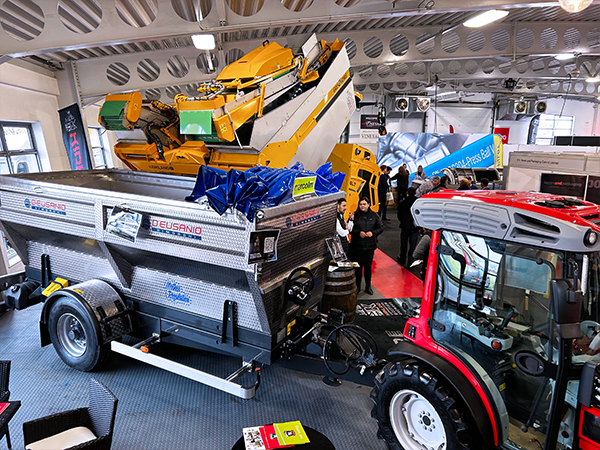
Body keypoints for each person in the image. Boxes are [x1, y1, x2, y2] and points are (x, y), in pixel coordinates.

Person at [350, 197, 384, 295]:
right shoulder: (355, 215)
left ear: (368, 204)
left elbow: (381, 228)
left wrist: (372, 233)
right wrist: (358, 232)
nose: (362, 206)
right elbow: (350, 229)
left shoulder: (374, 215)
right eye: (360, 204)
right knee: (358, 268)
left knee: (368, 267)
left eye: (364, 204)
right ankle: (358, 286)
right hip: (358, 246)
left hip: (370, 246)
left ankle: (368, 286)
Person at [397, 187, 419, 268]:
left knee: (403, 244)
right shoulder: (417, 203)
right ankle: (411, 261)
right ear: (415, 193)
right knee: (413, 245)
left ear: (407, 193)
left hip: (404, 226)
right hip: (415, 227)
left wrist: (402, 221)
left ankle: (402, 259)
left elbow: (399, 215)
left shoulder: (402, 202)